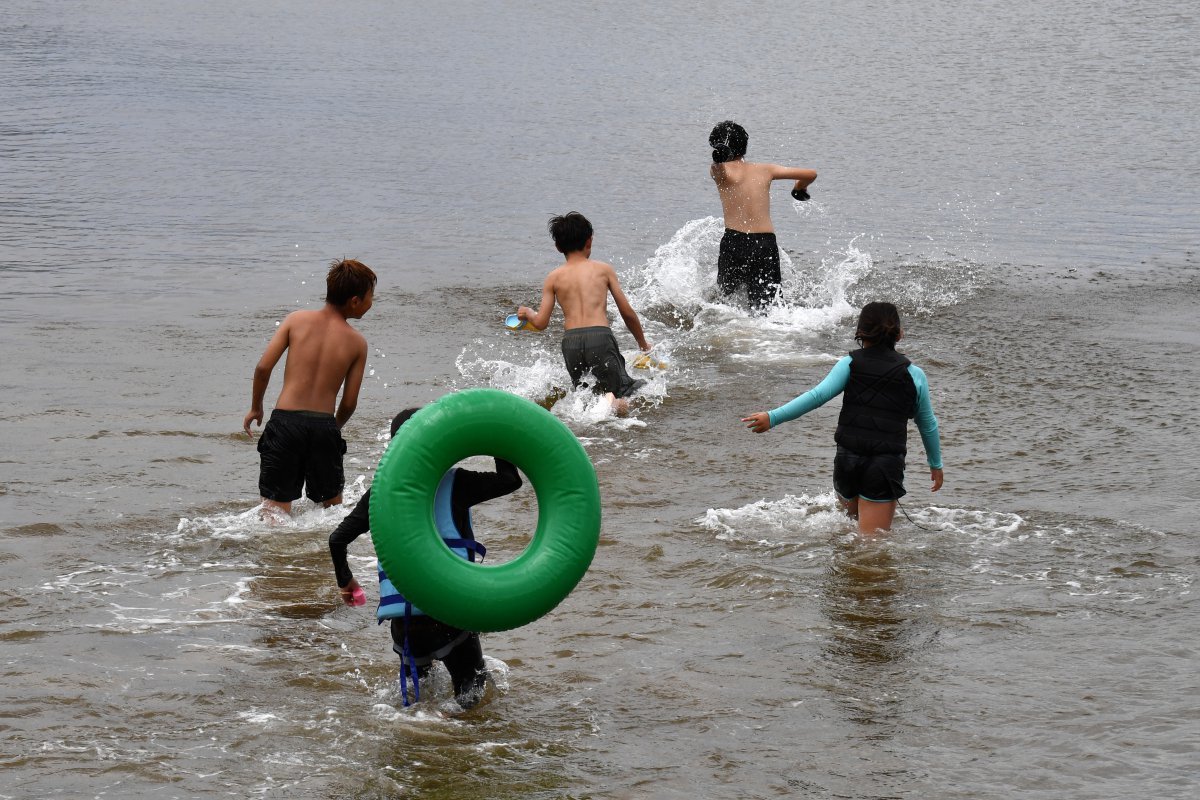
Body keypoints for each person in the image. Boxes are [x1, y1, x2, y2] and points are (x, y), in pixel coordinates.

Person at [329, 408, 522, 710]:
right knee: (473, 689)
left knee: (416, 699)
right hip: (448, 609)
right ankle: (452, 724)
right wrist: (495, 438)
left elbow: (336, 539)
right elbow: (510, 480)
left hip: (404, 621)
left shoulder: (379, 493)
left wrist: (346, 580)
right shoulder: (456, 483)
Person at [741, 302, 943, 533]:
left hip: (846, 462)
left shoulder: (849, 364)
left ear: (859, 332)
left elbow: (816, 396)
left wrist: (772, 417)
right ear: (899, 333)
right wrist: (935, 465)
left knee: (849, 528)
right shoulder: (913, 375)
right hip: (884, 467)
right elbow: (927, 424)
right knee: (870, 548)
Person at [242, 258, 376, 516]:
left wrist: (256, 408)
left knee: (274, 512)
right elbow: (349, 403)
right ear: (355, 301)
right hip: (323, 426)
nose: (372, 303)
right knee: (332, 512)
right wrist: (330, 430)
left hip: (285, 424)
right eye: (371, 297)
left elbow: (262, 369)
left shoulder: (295, 320)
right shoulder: (357, 343)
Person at [516, 212, 652, 413]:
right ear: (589, 241)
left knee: (586, 396)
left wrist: (528, 313)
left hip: (571, 343)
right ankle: (614, 404)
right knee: (625, 392)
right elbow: (627, 312)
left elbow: (541, 323)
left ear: (558, 247)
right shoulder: (603, 270)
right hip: (600, 339)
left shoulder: (553, 278)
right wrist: (643, 344)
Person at [708, 120, 818, 311]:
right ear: (744, 146)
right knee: (768, 309)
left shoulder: (718, 171)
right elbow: (811, 174)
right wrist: (799, 189)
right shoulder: (766, 169)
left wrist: (720, 156)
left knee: (725, 305)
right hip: (764, 245)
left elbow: (719, 163)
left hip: (733, 242)